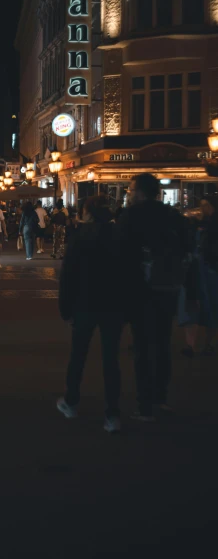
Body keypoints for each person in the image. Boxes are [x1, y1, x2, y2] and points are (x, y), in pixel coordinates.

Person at [117, 173, 189, 420]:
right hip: (167, 286)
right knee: (162, 343)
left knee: (142, 346)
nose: (129, 193)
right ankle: (161, 397)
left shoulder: (131, 216)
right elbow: (187, 246)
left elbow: (121, 254)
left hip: (140, 289)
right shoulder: (171, 215)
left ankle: (144, 403)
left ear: (141, 192)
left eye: (131, 189)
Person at [57, 195, 124, 433]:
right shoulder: (118, 235)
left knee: (78, 355)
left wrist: (65, 307)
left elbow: (68, 275)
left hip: (85, 303)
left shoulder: (80, 236)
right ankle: (112, 413)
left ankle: (71, 401)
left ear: (88, 213)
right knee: (111, 359)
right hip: (113, 304)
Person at [180, 196, 218, 357]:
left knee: (209, 306)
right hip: (199, 269)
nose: (203, 209)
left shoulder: (210, 226)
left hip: (209, 268)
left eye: (206, 205)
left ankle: (204, 344)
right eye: (202, 205)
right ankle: (194, 344)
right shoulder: (199, 225)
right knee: (195, 305)